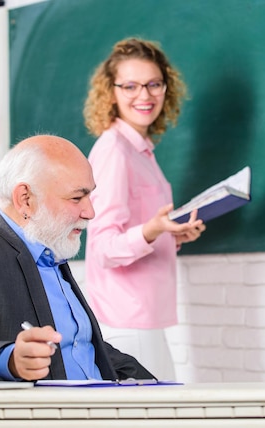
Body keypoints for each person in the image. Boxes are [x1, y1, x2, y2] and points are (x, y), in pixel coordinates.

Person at [0, 134, 154, 382]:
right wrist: (11, 360)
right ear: (25, 199)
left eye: (90, 197)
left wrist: (158, 386)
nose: (90, 212)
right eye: (76, 198)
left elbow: (83, 348)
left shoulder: (51, 250)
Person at [83, 37, 207, 380]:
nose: (145, 95)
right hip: (125, 319)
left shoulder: (141, 151)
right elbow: (104, 248)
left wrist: (172, 234)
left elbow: (139, 229)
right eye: (131, 86)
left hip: (142, 317)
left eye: (154, 84)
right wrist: (153, 230)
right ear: (111, 91)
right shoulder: (115, 151)